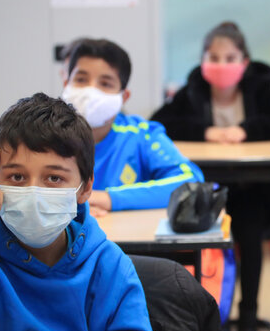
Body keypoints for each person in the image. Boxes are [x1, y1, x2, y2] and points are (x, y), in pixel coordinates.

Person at [0, 93, 155, 331]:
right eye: (16, 177)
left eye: (54, 178)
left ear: (86, 187)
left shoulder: (109, 268)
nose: (33, 193)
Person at [151, 22, 270, 331]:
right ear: (202, 59)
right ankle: (212, 315)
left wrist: (247, 130)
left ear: (244, 61)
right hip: (207, 190)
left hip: (254, 190)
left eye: (230, 57)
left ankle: (249, 314)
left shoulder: (260, 88)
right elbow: (160, 122)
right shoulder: (193, 90)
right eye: (213, 56)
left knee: (250, 233)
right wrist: (204, 132)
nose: (221, 64)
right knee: (202, 239)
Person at [61, 38, 204, 217]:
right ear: (66, 83)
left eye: (105, 84)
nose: (91, 91)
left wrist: (108, 199)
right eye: (81, 79)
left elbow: (190, 181)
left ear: (124, 96)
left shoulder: (141, 135)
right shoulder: (43, 135)